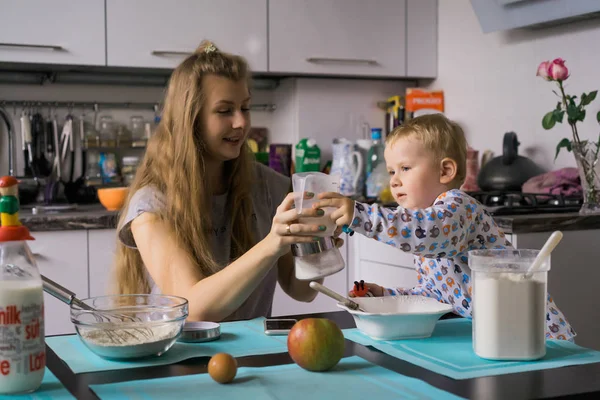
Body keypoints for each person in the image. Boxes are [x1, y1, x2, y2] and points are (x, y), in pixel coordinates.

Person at [113, 41, 335, 322]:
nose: (241, 122)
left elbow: (301, 291)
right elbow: (192, 309)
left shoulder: (270, 187)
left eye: (245, 107)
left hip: (253, 357)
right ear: (190, 119)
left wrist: (318, 247)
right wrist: (273, 243)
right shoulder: (153, 206)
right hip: (182, 359)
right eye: (224, 110)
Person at [313, 114, 576, 341]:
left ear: (445, 171)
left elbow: (426, 233)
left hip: (537, 333)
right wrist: (385, 294)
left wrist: (358, 214)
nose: (394, 181)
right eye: (392, 172)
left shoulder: (458, 207)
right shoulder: (423, 219)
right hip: (501, 335)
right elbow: (437, 294)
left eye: (405, 168)